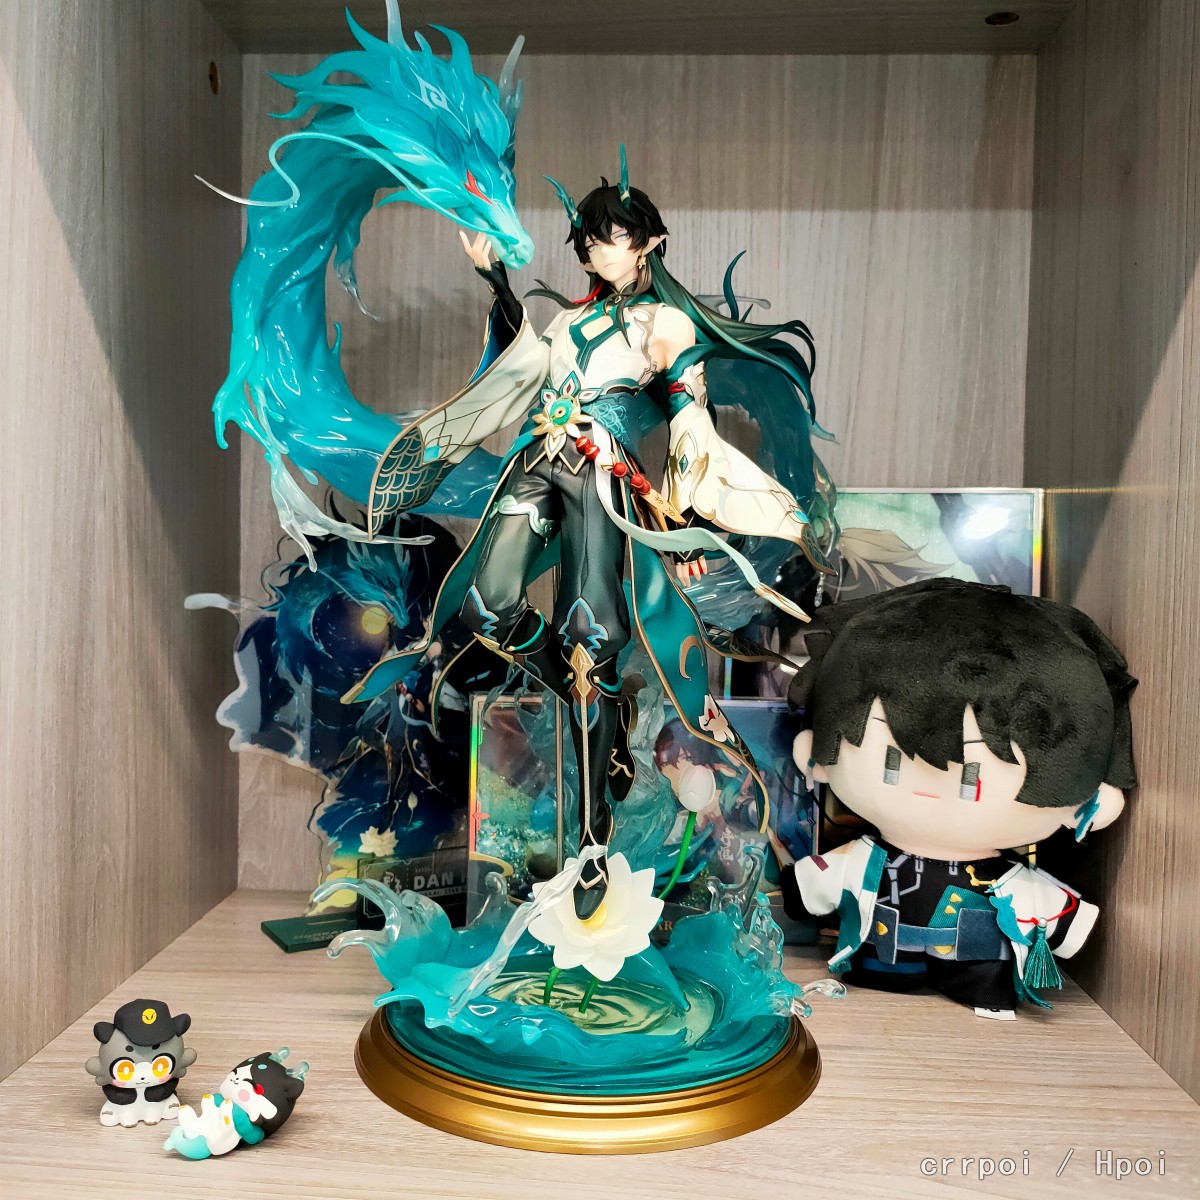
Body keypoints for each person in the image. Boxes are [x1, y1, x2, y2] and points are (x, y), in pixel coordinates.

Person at [352, 153, 835, 915]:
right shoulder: (568, 319)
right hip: (538, 466)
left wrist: (689, 517)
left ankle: (590, 846)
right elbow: (520, 371)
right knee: (486, 605)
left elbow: (688, 420)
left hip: (603, 480)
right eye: (586, 240)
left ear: (648, 241)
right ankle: (599, 701)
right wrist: (495, 282)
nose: (594, 250)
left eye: (609, 237)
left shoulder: (664, 322)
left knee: (590, 635)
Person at [771, 579, 1137, 1018]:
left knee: (985, 977)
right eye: (893, 763)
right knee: (883, 966)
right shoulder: (869, 859)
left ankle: (984, 987)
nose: (929, 786)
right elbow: (818, 882)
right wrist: (796, 891)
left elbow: (1056, 916)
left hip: (981, 964)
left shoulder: (1004, 878)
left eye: (970, 779)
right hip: (884, 954)